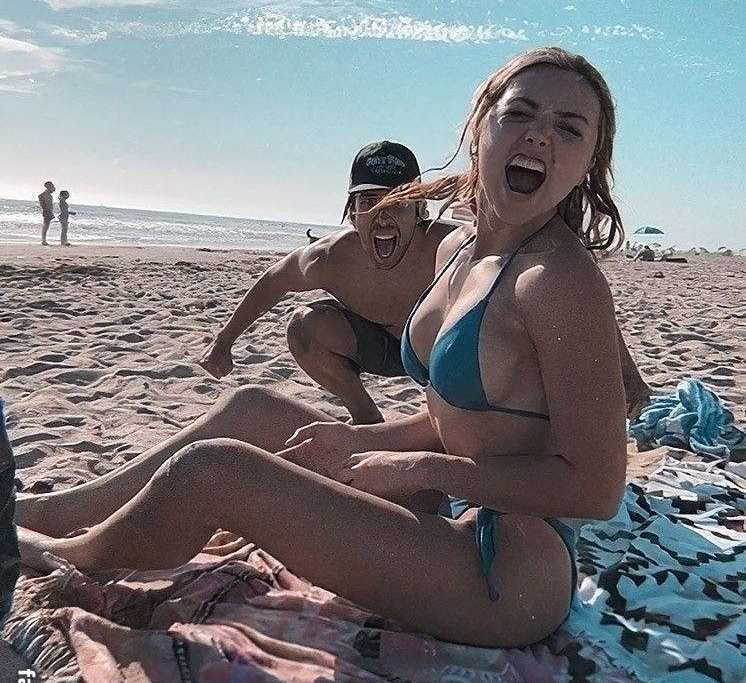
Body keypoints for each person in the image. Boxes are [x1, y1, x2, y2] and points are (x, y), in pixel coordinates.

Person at [18, 47, 630, 650]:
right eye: (520, 113)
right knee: (250, 408)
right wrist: (362, 440)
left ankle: (67, 556)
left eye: (569, 127)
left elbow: (597, 491)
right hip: (457, 502)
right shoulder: (457, 250)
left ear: (587, 164)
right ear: (480, 128)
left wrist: (418, 468)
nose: (540, 135)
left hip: (507, 572)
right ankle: (54, 511)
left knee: (212, 472)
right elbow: (463, 422)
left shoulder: (557, 282)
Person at [199, 141, 460, 424]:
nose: (383, 217)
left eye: (397, 203)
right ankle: (366, 417)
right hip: (379, 348)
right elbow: (275, 279)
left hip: (442, 352)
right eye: (369, 203)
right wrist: (224, 340)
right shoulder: (329, 258)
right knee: (304, 326)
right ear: (353, 214)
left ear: (420, 209)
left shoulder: (455, 247)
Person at [38, 181, 55, 246]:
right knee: (45, 226)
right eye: (52, 186)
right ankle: (43, 240)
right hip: (46, 212)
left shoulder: (50, 196)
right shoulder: (43, 195)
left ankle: (44, 240)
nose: (53, 188)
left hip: (49, 211)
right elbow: (43, 205)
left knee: (46, 226)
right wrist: (47, 211)